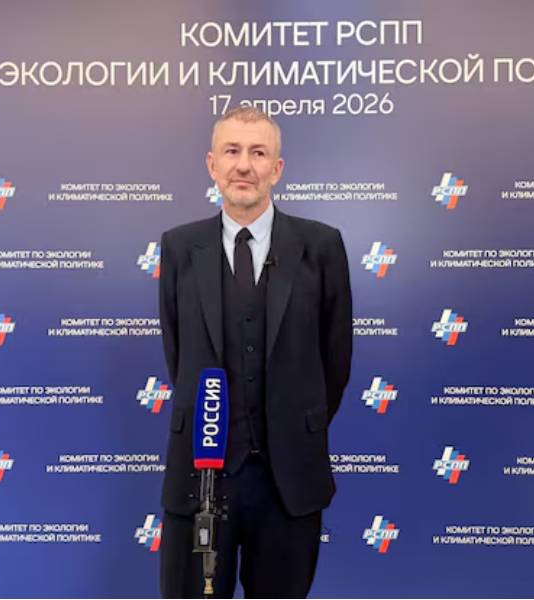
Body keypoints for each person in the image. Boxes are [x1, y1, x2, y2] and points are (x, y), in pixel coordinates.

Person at [157, 106, 352, 598]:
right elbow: (177, 354)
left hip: (288, 481)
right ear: (212, 164)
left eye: (258, 152)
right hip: (201, 477)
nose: (244, 165)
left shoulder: (321, 246)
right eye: (232, 151)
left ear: (277, 169)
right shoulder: (180, 247)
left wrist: (290, 421)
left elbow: (335, 362)